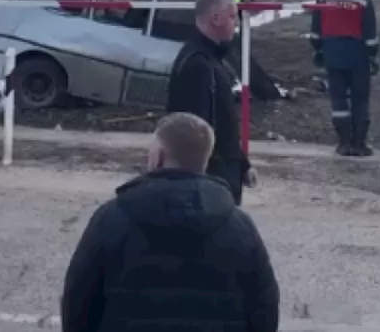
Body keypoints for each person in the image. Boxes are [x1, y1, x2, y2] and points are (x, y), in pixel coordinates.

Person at [61, 112, 280, 332]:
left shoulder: (110, 219)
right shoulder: (240, 227)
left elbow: (78, 300)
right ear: (205, 160)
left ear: (158, 157)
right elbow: (264, 308)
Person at [166, 0, 254, 204]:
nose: (236, 23)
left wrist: (242, 164)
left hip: (219, 183)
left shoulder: (210, 60)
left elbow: (223, 123)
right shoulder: (198, 65)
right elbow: (196, 136)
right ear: (216, 18)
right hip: (211, 190)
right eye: (232, 16)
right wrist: (220, 183)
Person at [310, 0, 379, 157]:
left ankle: (343, 143)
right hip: (358, 57)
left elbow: (316, 30)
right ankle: (359, 143)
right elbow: (370, 36)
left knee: (338, 100)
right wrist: (373, 56)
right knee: (360, 100)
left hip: (332, 54)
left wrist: (319, 50)